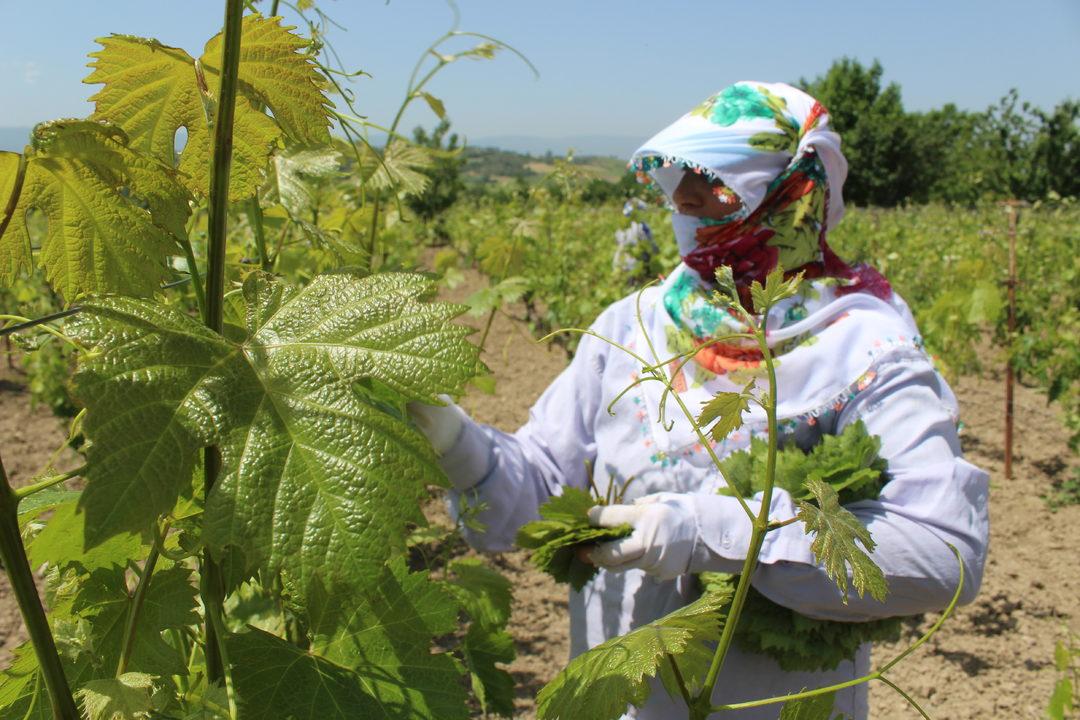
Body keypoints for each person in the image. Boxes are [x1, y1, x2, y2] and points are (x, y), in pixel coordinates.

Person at [411, 81, 989, 719]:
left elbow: (945, 552)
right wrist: (454, 442)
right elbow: (538, 494)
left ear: (793, 190)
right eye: (675, 178)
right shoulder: (632, 326)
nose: (684, 199)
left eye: (713, 182)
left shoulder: (864, 349)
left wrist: (714, 534)